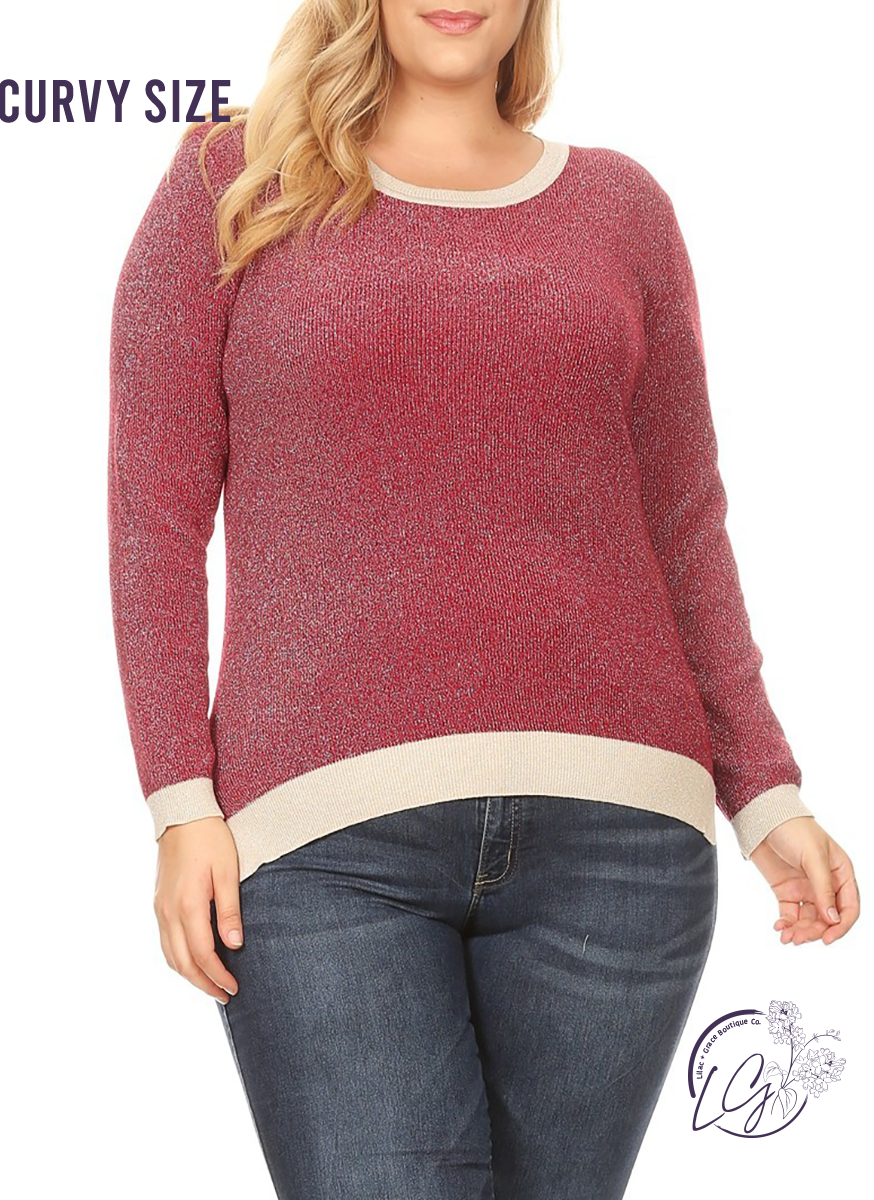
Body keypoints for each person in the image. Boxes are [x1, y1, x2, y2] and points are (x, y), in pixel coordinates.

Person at [107, 1, 860, 1196]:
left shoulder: (622, 208)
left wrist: (764, 791)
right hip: (319, 842)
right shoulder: (230, 180)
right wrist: (177, 800)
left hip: (619, 841)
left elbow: (682, 520)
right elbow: (152, 515)